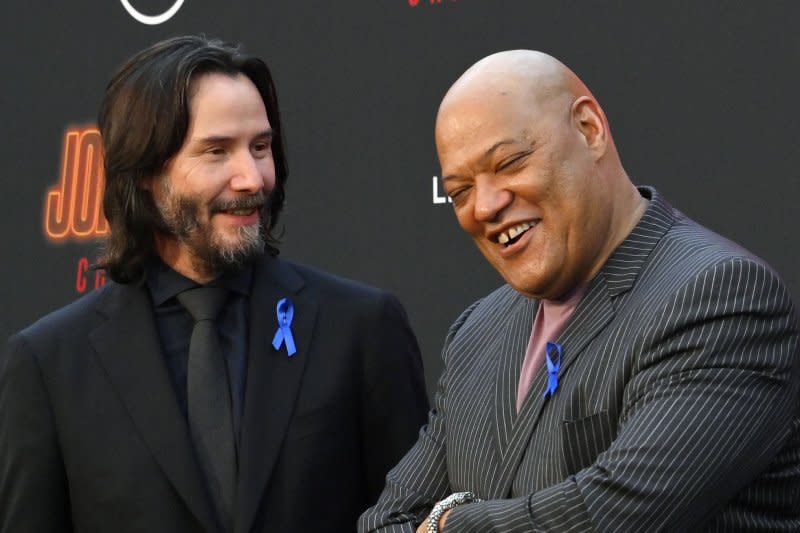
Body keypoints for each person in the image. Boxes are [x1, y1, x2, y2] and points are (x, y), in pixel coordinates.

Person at [0, 36, 428, 533]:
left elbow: (411, 520)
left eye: (261, 147)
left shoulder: (359, 328)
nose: (251, 178)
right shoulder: (50, 365)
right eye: (216, 151)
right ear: (145, 171)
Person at [360, 50, 800, 532]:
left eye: (509, 162)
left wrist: (446, 522)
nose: (484, 206)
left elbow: (615, 514)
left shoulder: (720, 296)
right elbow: (386, 522)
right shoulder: (476, 334)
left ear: (589, 129)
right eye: (461, 191)